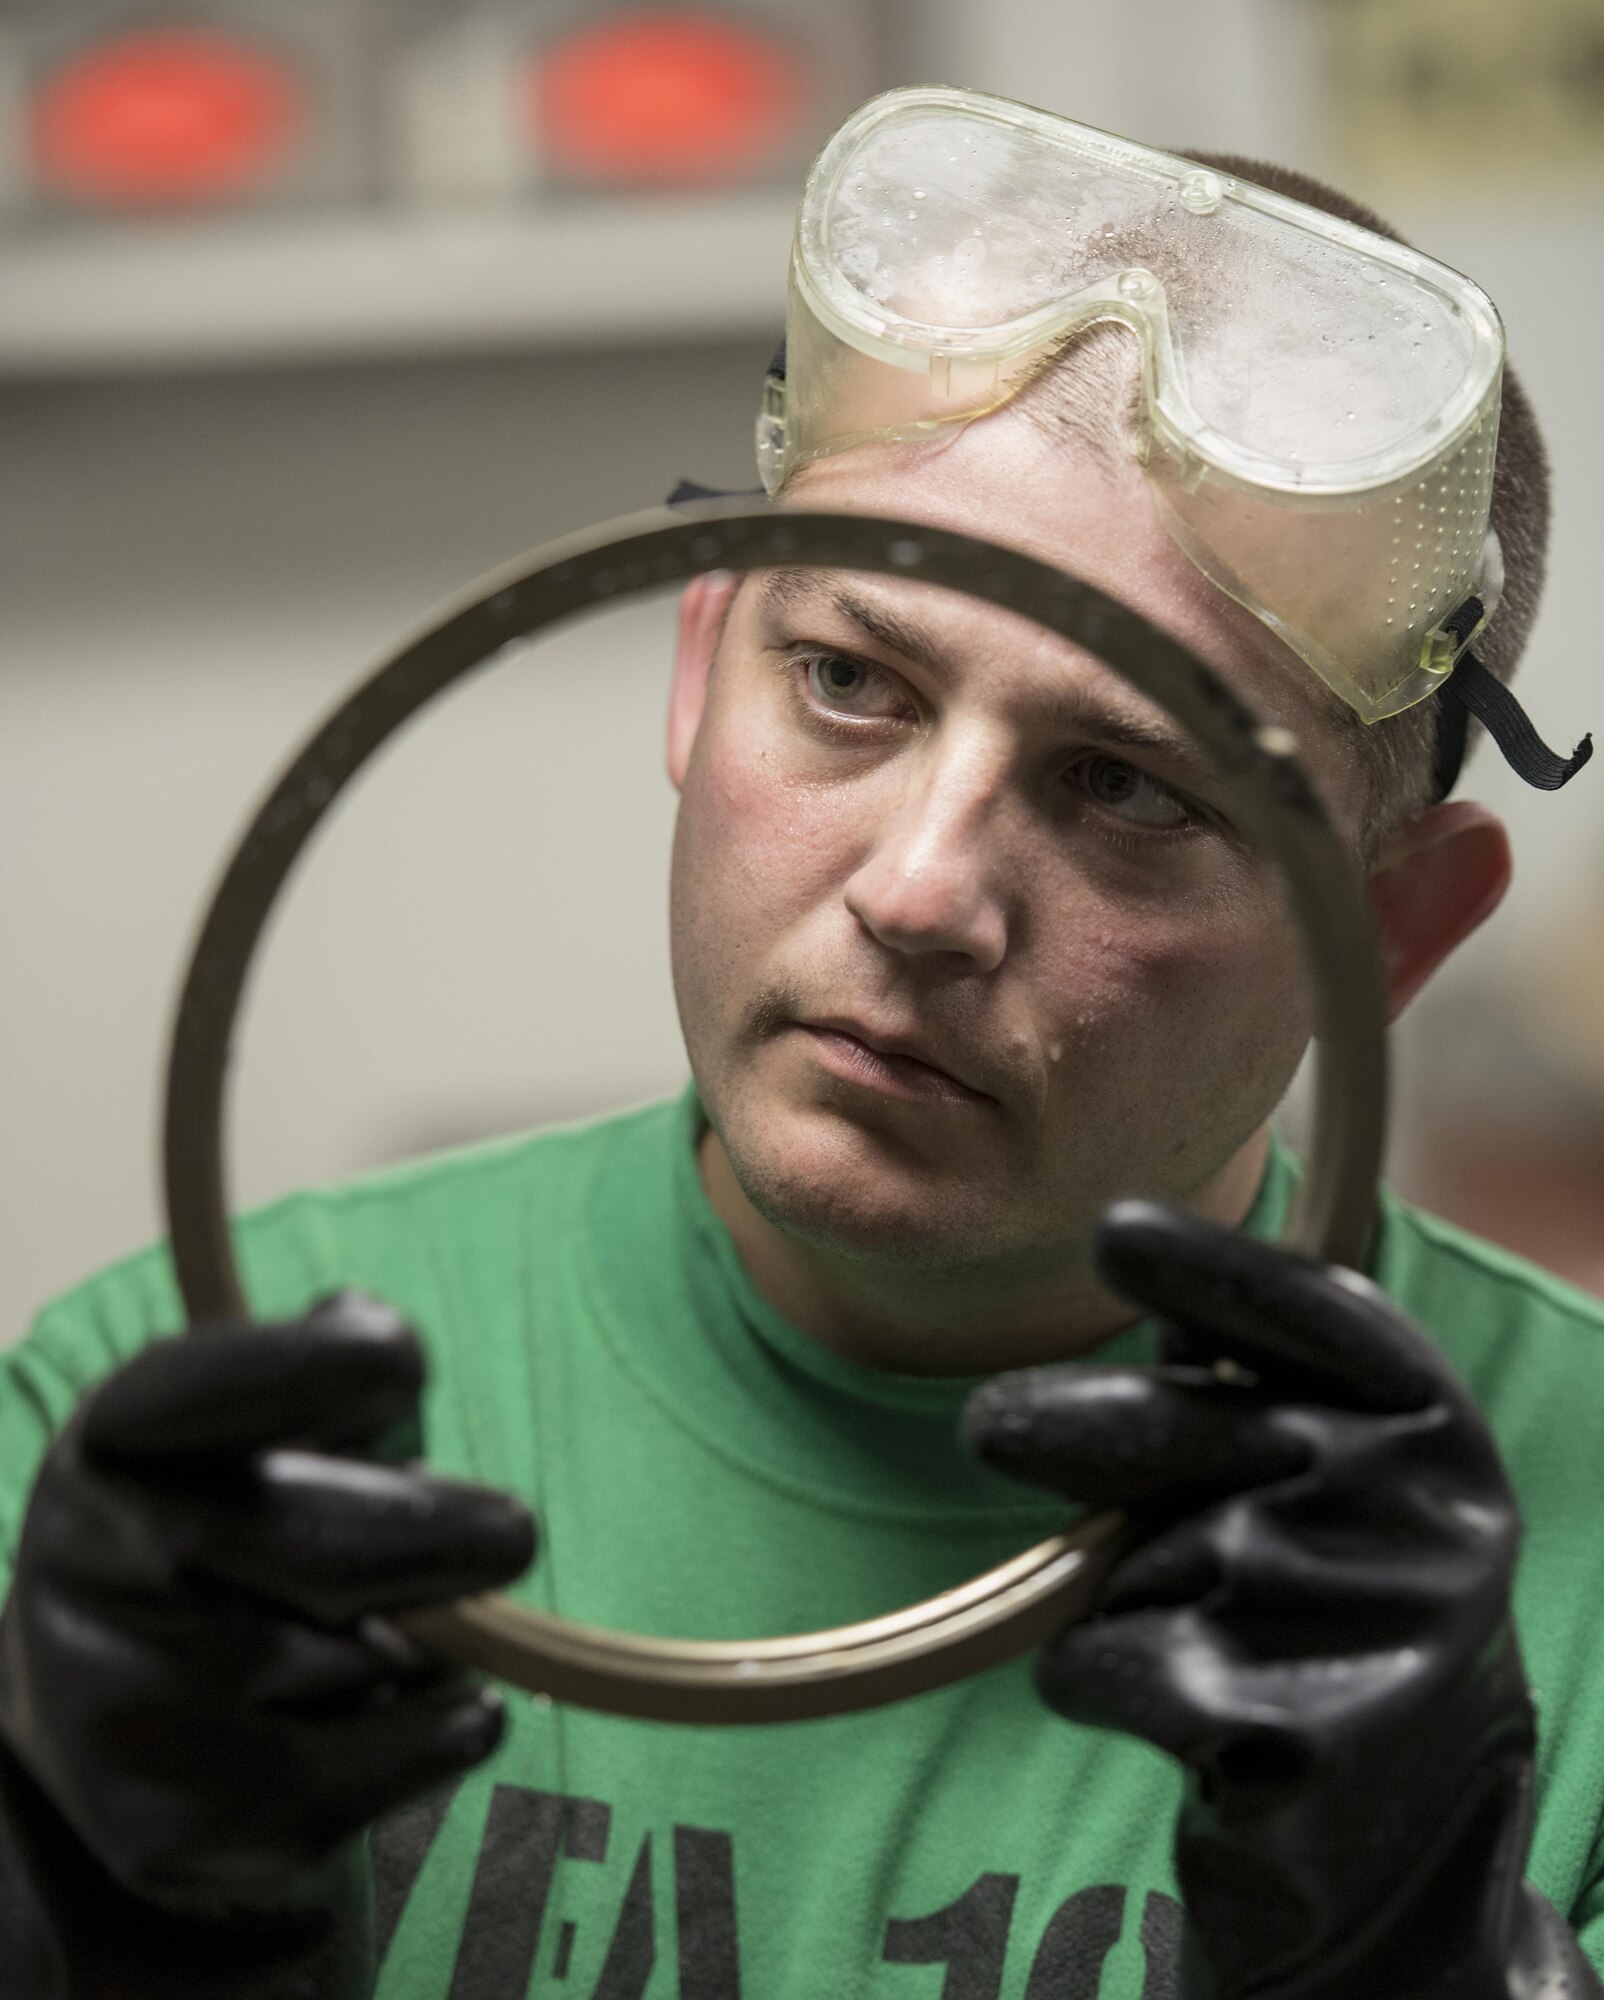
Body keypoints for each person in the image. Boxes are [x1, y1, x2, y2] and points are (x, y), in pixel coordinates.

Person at [1, 86, 1599, 2000]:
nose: (924, 891)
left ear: (1392, 930)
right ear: (699, 670)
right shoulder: (171, 1466)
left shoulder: (1559, 1585)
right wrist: (72, 1911)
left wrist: (1417, 1954)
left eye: (1128, 787)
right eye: (850, 680)